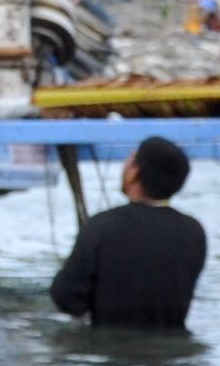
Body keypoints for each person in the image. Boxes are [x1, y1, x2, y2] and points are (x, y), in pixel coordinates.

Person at [49, 135, 209, 332]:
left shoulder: (101, 226)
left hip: (107, 350)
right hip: (171, 348)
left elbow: (66, 299)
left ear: (134, 173)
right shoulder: (193, 232)